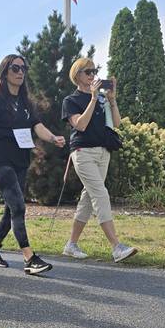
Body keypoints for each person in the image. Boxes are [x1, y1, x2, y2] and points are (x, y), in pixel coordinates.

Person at [0, 54, 65, 273]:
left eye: (23, 68)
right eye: (15, 68)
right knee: (19, 207)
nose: (20, 72)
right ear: (5, 72)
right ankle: (29, 257)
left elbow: (37, 126)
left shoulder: (25, 103)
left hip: (21, 161)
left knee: (10, 209)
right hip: (0, 161)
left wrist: (53, 137)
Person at [61, 58, 138, 263]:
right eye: (88, 72)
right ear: (77, 75)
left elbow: (117, 123)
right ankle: (116, 247)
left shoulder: (104, 99)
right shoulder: (71, 100)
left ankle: (71, 244)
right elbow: (81, 125)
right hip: (82, 152)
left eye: (94, 71)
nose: (93, 75)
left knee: (88, 197)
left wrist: (111, 99)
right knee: (100, 193)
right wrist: (94, 98)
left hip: (103, 151)